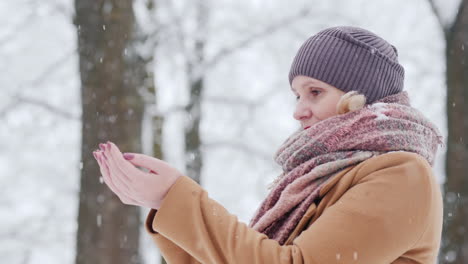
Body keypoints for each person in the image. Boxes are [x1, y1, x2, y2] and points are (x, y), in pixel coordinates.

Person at [93, 26, 444, 263]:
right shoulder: (318, 178)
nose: (298, 111)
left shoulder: (402, 175)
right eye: (296, 95)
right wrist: (164, 204)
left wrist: (177, 199)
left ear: (360, 97)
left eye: (315, 92)